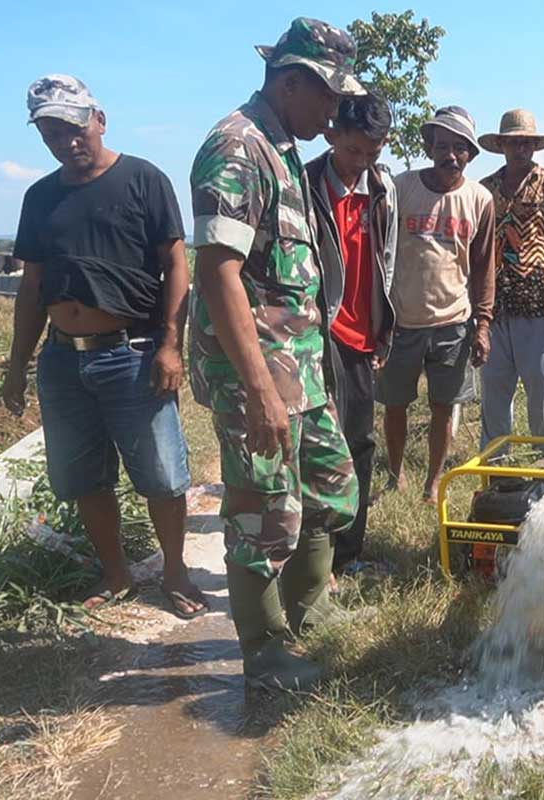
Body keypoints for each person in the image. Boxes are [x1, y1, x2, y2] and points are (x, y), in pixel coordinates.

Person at [188, 17, 363, 691]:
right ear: (292, 83)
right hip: (256, 374)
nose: (336, 110)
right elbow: (218, 272)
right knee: (263, 510)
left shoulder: (283, 144)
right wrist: (260, 389)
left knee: (328, 491)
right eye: (328, 96)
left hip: (302, 368)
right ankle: (264, 650)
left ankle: (310, 608)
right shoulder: (236, 148)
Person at [3, 74, 205, 619]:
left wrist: (170, 345)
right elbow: (31, 285)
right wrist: (18, 365)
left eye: (73, 126)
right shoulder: (40, 197)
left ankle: (175, 571)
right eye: (50, 131)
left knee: (161, 474)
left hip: (133, 353)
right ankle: (115, 575)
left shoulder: (143, 179)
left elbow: (176, 266)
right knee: (84, 475)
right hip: (63, 357)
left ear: (99, 119)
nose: (65, 140)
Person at [378, 106, 495, 503]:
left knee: (444, 406)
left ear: (470, 154)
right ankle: (396, 476)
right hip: (402, 320)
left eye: (460, 148)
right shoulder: (400, 188)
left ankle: (433, 482)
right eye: (442, 146)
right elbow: (379, 252)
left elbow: (483, 267)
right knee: (395, 404)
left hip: (453, 322)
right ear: (428, 147)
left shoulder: (479, 199)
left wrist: (482, 324)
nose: (451, 155)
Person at [304, 93, 398, 574]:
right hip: (316, 335)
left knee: (359, 444)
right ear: (331, 134)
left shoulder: (382, 188)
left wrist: (382, 329)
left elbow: (386, 261)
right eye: (353, 150)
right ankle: (308, 560)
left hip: (363, 336)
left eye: (372, 152)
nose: (360, 162)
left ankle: (347, 556)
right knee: (317, 445)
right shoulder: (303, 184)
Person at [478, 109, 544, 451]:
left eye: (525, 143)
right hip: (494, 307)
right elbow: (476, 250)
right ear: (503, 146)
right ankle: (497, 474)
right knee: (494, 395)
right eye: (513, 143)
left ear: (534, 146)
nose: (519, 149)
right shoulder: (485, 190)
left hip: (540, 305)